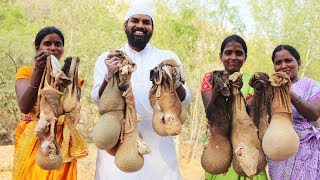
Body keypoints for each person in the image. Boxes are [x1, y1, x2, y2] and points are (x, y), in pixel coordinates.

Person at [91, 5, 191, 180]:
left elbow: (184, 100)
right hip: (118, 141)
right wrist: (109, 75)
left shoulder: (166, 57)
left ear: (152, 28)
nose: (140, 26)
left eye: (146, 22)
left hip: (159, 144)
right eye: (135, 20)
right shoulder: (109, 58)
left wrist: (175, 81)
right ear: (125, 25)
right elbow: (98, 100)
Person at [13, 26, 87, 180]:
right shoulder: (26, 72)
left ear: (63, 49)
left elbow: (71, 110)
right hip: (35, 136)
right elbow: (24, 106)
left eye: (58, 44)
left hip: (61, 139)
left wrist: (67, 80)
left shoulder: (72, 78)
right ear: (37, 48)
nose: (53, 48)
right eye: (47, 44)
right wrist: (38, 70)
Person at [201, 34, 268, 180]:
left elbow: (249, 117)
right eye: (228, 52)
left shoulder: (251, 81)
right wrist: (220, 88)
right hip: (218, 146)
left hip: (245, 144)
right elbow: (209, 113)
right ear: (221, 56)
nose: (233, 57)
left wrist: (239, 92)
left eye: (239, 53)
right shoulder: (212, 78)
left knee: (249, 169)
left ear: (245, 57)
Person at [267, 45, 320, 179]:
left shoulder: (311, 85)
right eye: (278, 63)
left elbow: (314, 114)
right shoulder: (270, 89)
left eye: (288, 61)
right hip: (278, 150)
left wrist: (288, 91)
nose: (283, 66)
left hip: (306, 151)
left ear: (299, 63)